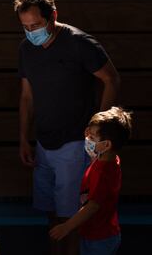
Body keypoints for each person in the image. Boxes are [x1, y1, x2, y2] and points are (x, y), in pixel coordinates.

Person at [14, 0, 120, 254]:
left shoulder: (79, 43)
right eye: (25, 26)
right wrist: (23, 139)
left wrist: (99, 126)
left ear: (53, 16)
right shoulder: (27, 48)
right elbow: (27, 97)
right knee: (50, 212)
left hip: (74, 142)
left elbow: (111, 79)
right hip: (43, 142)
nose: (31, 31)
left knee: (70, 218)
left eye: (36, 25)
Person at [50, 107, 132, 255]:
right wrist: (93, 142)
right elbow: (98, 158)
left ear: (106, 145)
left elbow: (92, 206)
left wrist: (67, 227)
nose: (88, 139)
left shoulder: (102, 173)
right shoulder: (110, 159)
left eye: (92, 137)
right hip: (103, 233)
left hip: (98, 238)